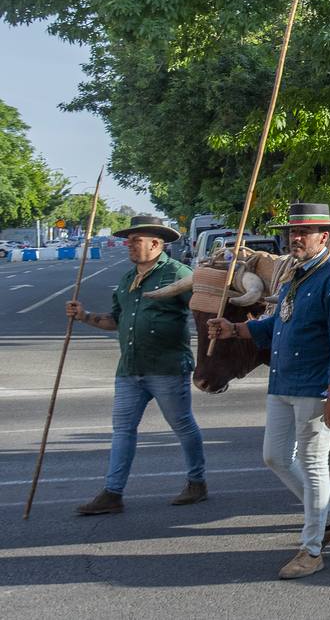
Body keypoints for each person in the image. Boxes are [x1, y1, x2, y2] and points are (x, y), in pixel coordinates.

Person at [208, 203, 330, 579]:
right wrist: (237, 329)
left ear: (324, 237)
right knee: (275, 456)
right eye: (292, 231)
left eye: (304, 232)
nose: (295, 237)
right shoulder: (295, 275)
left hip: (316, 386)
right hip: (283, 381)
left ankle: (312, 549)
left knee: (312, 464)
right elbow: (281, 322)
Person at [65, 216, 206, 516]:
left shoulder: (179, 274)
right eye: (128, 239)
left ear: (156, 243)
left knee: (182, 426)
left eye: (135, 239)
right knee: (123, 430)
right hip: (130, 370)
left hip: (167, 368)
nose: (129, 244)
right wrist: (84, 316)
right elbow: (116, 320)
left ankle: (197, 483)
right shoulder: (128, 280)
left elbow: (204, 311)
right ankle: (113, 493)